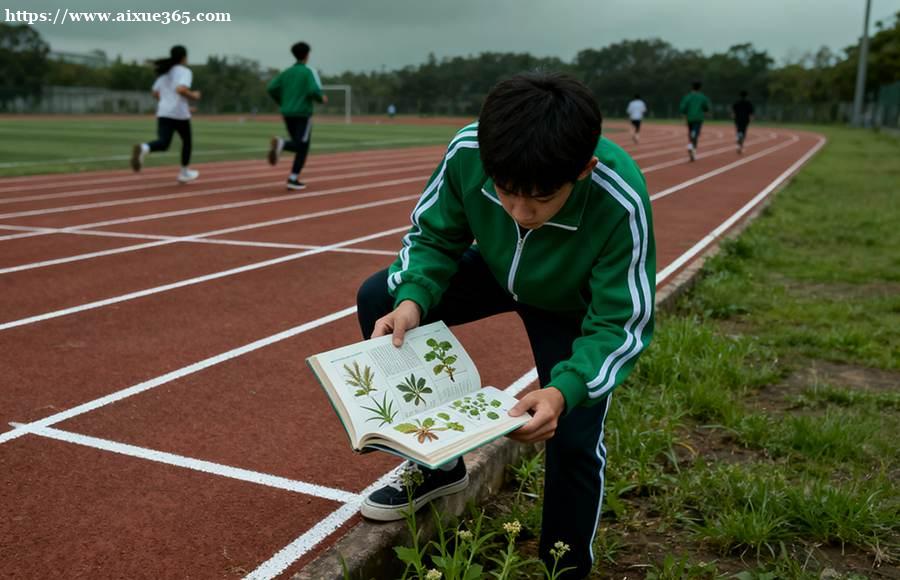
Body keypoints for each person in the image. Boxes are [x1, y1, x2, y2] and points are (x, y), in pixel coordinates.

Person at [355, 72, 656, 579]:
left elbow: (620, 322)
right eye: (506, 193)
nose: (519, 212)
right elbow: (433, 237)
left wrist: (565, 389)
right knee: (379, 295)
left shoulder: (619, 199)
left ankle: (566, 567)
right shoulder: (469, 152)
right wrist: (412, 300)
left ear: (584, 169)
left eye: (539, 199)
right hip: (495, 270)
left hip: (571, 303)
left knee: (573, 438)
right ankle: (437, 466)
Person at [130, 45, 202, 183]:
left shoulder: (165, 73)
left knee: (164, 143)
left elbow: (155, 92)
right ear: (184, 57)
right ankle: (184, 173)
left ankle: (144, 147)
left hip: (164, 112)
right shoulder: (185, 71)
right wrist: (194, 96)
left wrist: (167, 103)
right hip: (179, 114)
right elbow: (180, 89)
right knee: (187, 142)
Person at [266, 41, 328, 190]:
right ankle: (282, 145)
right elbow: (313, 90)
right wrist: (321, 98)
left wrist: (282, 101)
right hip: (302, 113)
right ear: (307, 55)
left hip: (287, 112)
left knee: (300, 145)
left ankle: (293, 179)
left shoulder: (287, 72)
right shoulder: (307, 72)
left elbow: (271, 88)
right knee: (301, 145)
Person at [678, 81, 711, 161]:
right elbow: (706, 107)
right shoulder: (703, 97)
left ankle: (690, 144)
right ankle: (693, 148)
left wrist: (683, 114)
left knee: (690, 131)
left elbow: (682, 108)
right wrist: (706, 112)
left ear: (692, 87)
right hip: (698, 118)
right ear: (700, 88)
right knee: (695, 134)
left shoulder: (688, 97)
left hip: (689, 118)